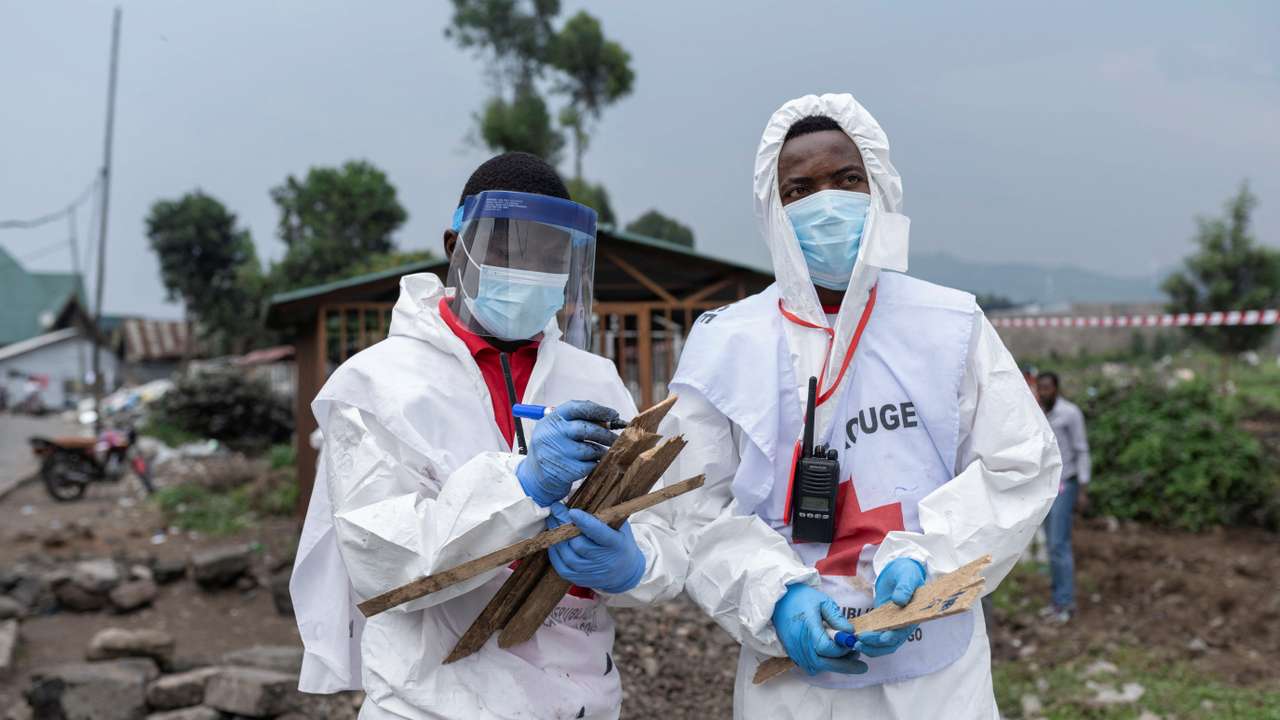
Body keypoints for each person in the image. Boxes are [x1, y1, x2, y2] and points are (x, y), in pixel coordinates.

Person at [660, 94, 1063, 719]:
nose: (827, 203)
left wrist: (930, 561)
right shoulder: (727, 343)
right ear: (773, 207)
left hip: (937, 680)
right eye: (800, 188)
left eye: (847, 180)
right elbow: (692, 506)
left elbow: (1020, 465)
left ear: (880, 187)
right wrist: (773, 595)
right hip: (791, 682)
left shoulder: (950, 323)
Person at [288, 152, 688, 719]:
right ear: (456, 247)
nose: (529, 267)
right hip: (433, 704)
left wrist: (635, 563)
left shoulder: (594, 380)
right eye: (506, 247)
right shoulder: (377, 384)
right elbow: (379, 562)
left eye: (549, 252)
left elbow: (665, 532)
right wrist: (522, 487)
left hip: (581, 702)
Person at [1036, 371, 1091, 623]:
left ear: (1056, 389)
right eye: (1041, 388)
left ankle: (1066, 603)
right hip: (1044, 487)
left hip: (1064, 485)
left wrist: (1083, 487)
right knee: (1051, 546)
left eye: (1048, 388)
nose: (1044, 392)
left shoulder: (1069, 413)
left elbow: (1081, 450)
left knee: (1059, 545)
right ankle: (1057, 601)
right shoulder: (1036, 413)